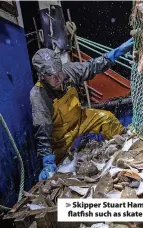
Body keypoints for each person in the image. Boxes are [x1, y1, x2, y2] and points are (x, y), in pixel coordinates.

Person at [30, 38, 134, 180]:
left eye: (58, 72)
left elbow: (92, 67)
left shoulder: (68, 71)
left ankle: (128, 147)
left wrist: (115, 54)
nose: (58, 78)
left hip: (81, 119)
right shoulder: (38, 95)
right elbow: (43, 131)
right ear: (42, 77)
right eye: (52, 76)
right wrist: (47, 161)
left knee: (106, 118)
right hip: (61, 139)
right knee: (62, 171)